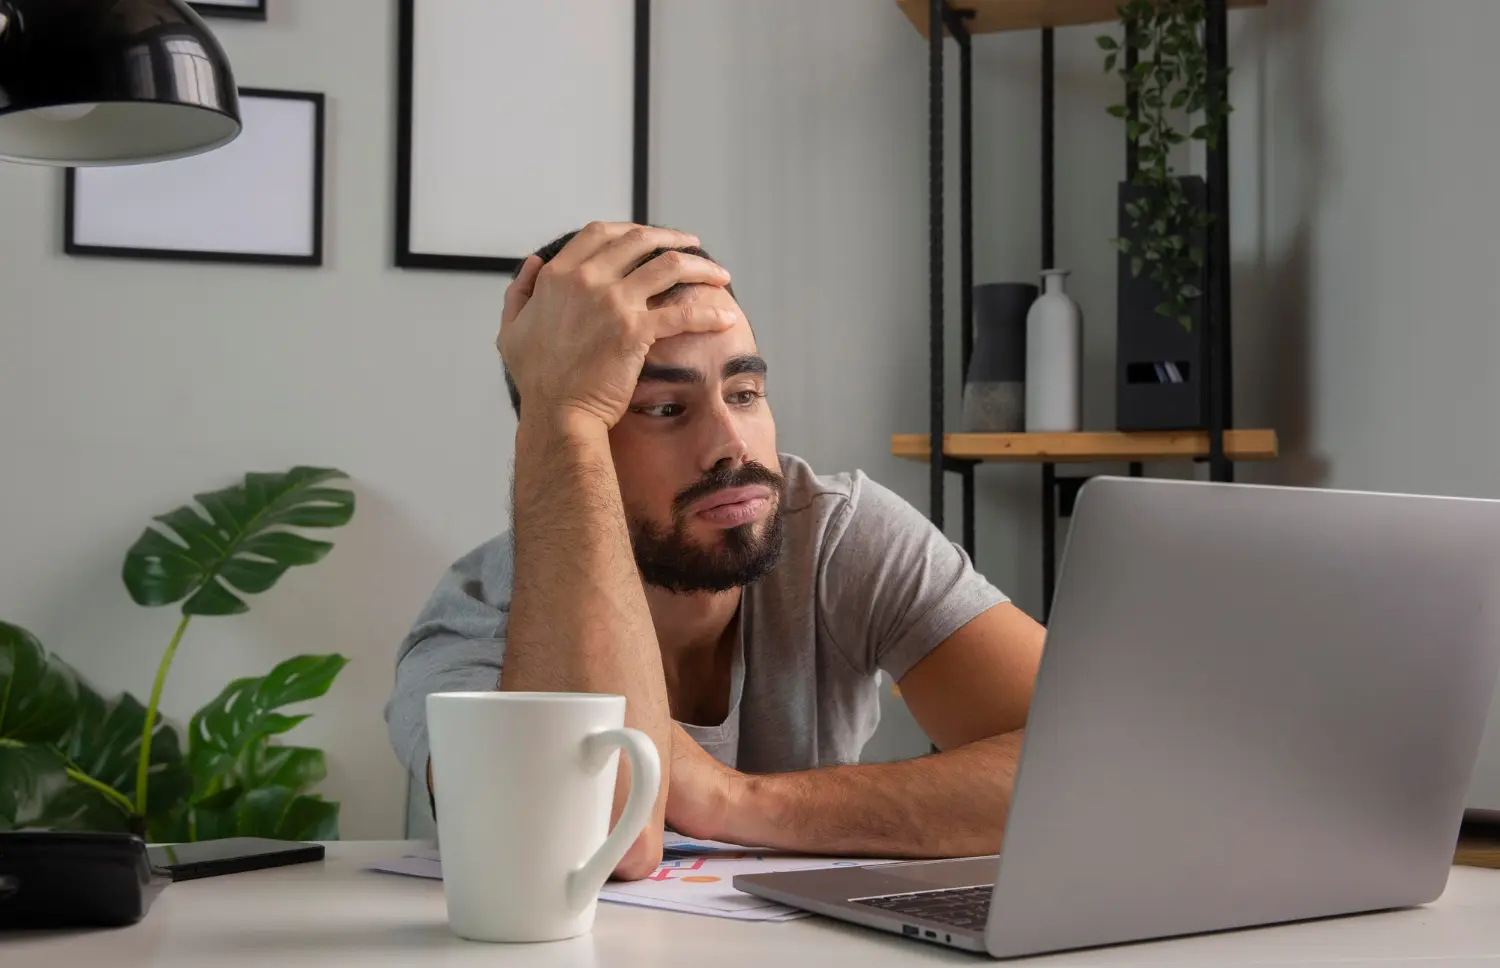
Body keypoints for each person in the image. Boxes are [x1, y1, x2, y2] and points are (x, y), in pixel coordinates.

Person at [384, 222, 1047, 880]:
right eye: (666, 409)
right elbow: (602, 845)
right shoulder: (477, 628)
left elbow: (1102, 765)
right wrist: (560, 419)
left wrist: (735, 800)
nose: (731, 443)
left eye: (743, 392)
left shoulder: (835, 535)